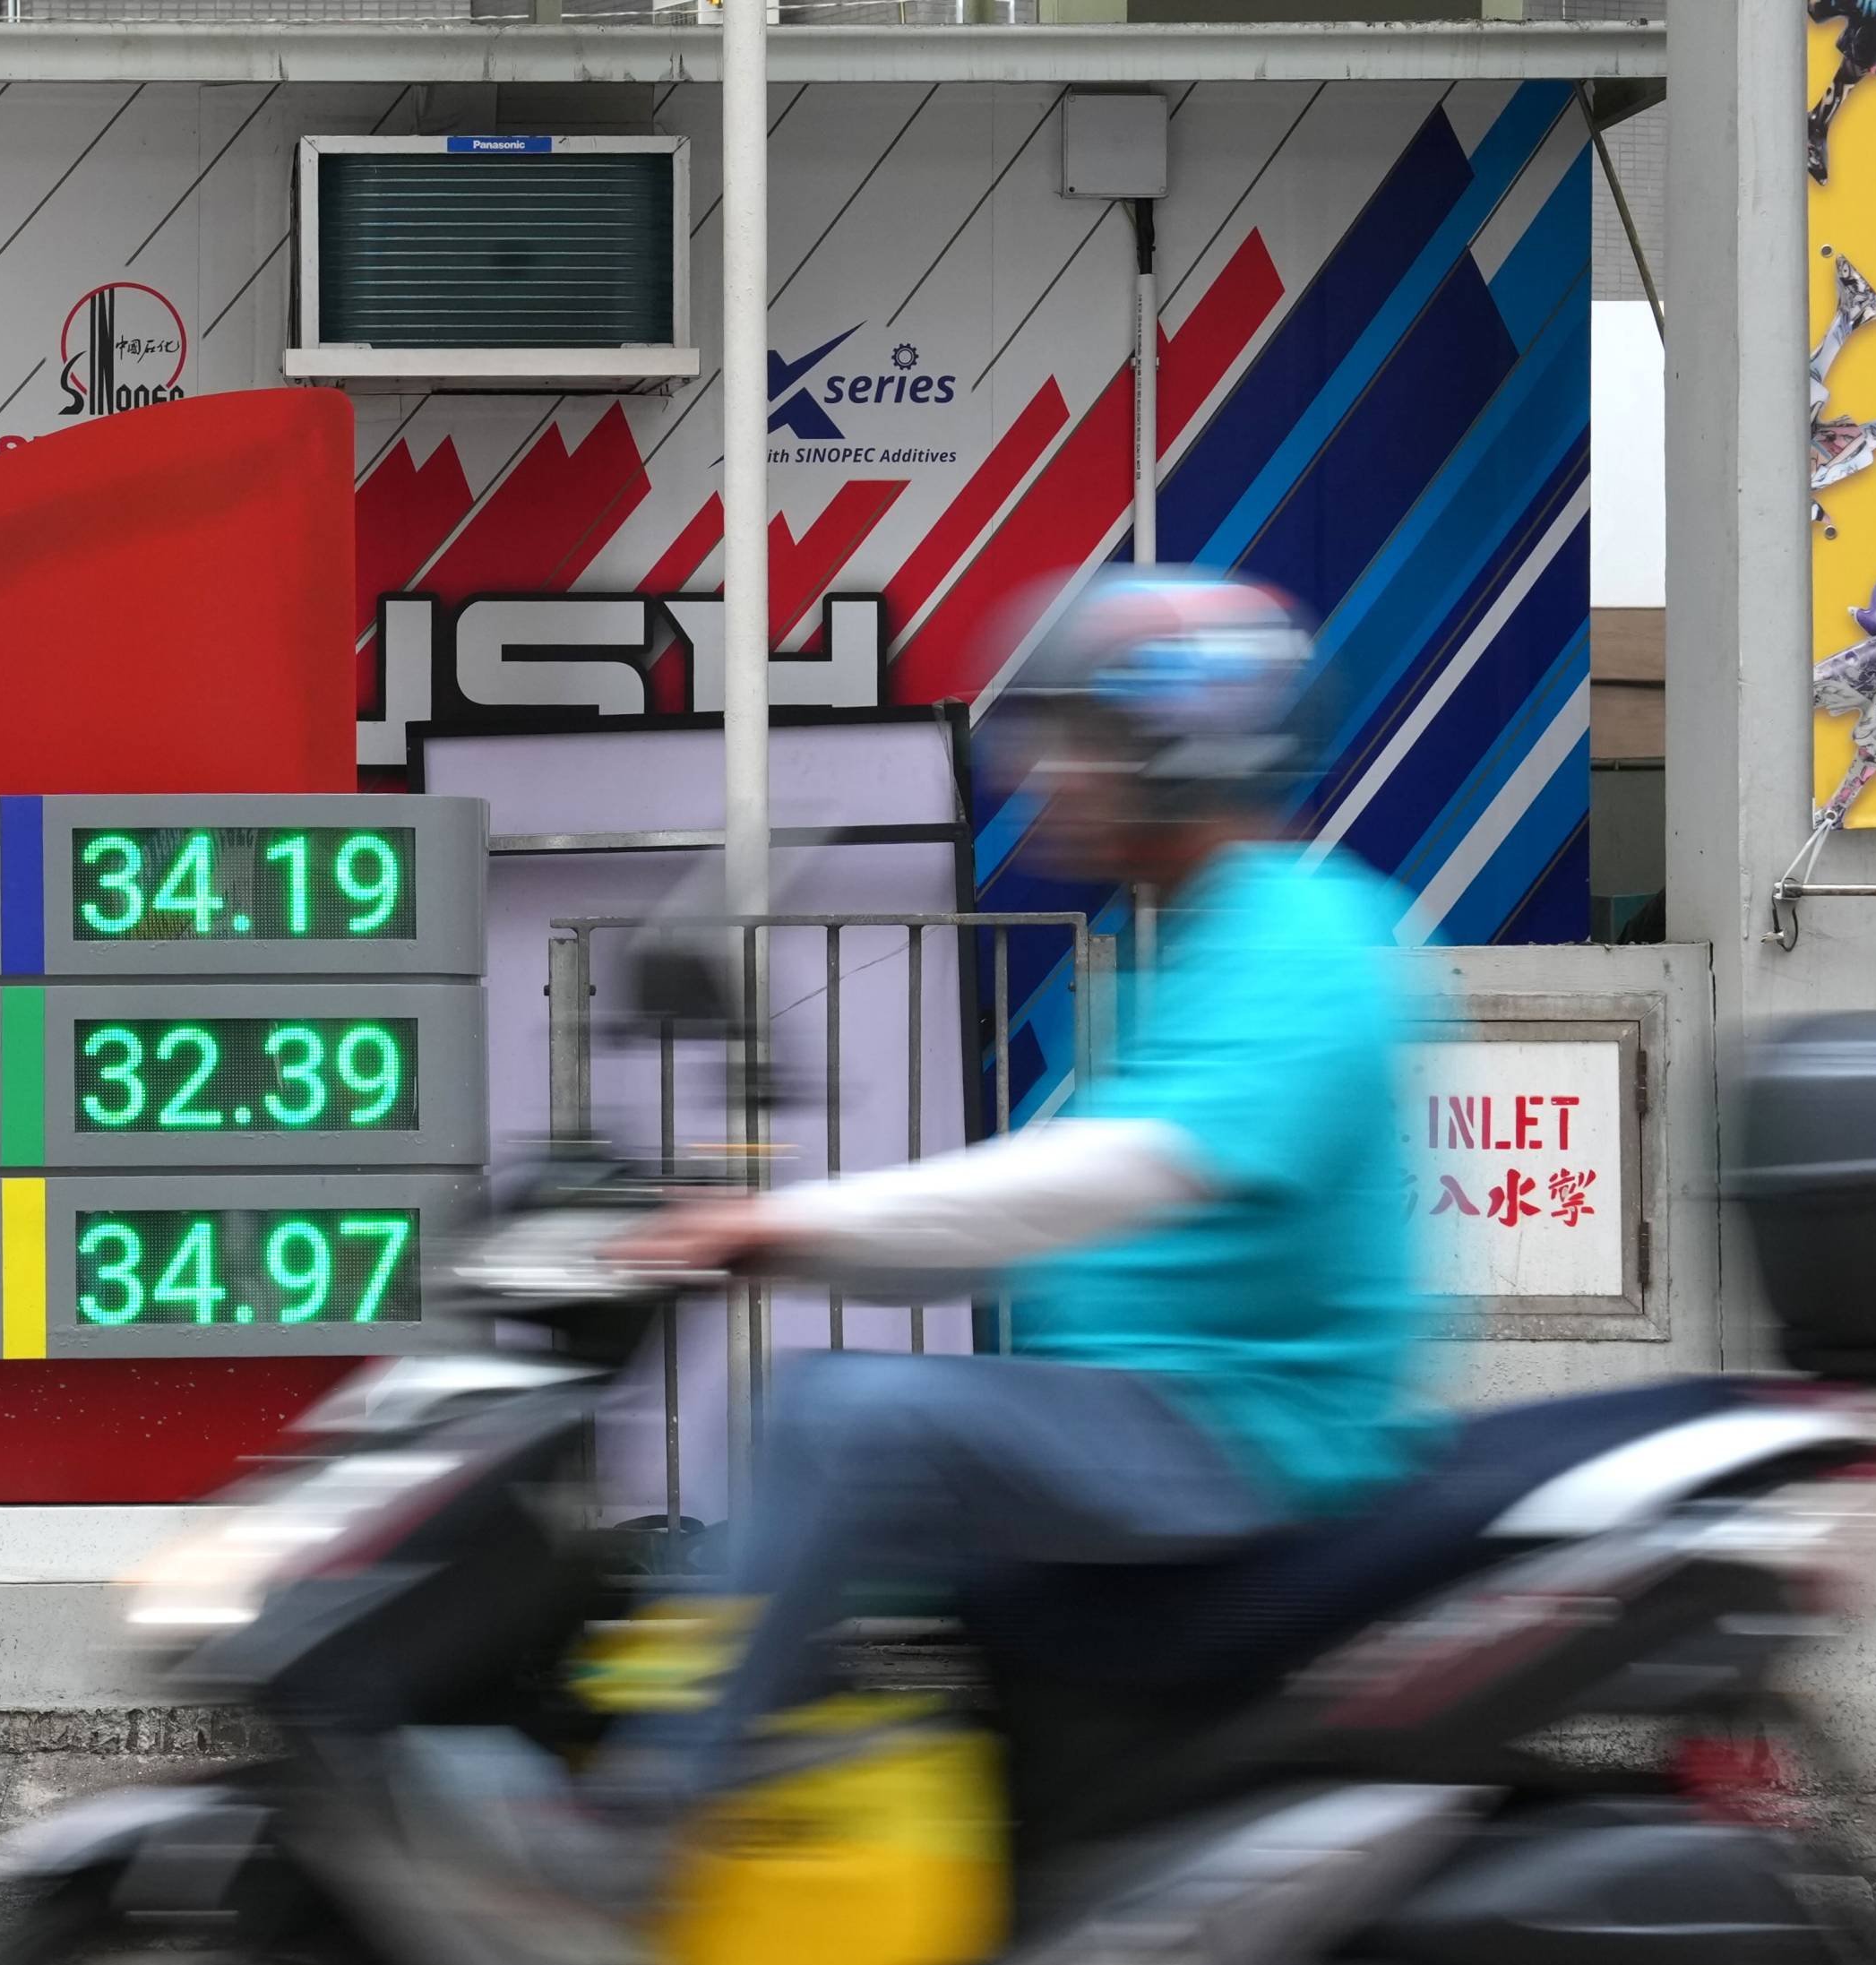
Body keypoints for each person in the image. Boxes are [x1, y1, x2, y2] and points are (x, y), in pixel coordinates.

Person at [583, 570, 1436, 1838]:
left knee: (847, 1414)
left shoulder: (1296, 938)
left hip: (1238, 1435)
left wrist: (790, 1230)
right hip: (1154, 1409)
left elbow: (1099, 1182)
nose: (1045, 773)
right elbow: (1044, 1230)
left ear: (1172, 751)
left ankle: (646, 1818)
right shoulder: (1198, 937)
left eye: (1081, 740)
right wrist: (775, 1236)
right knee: (774, 1512)